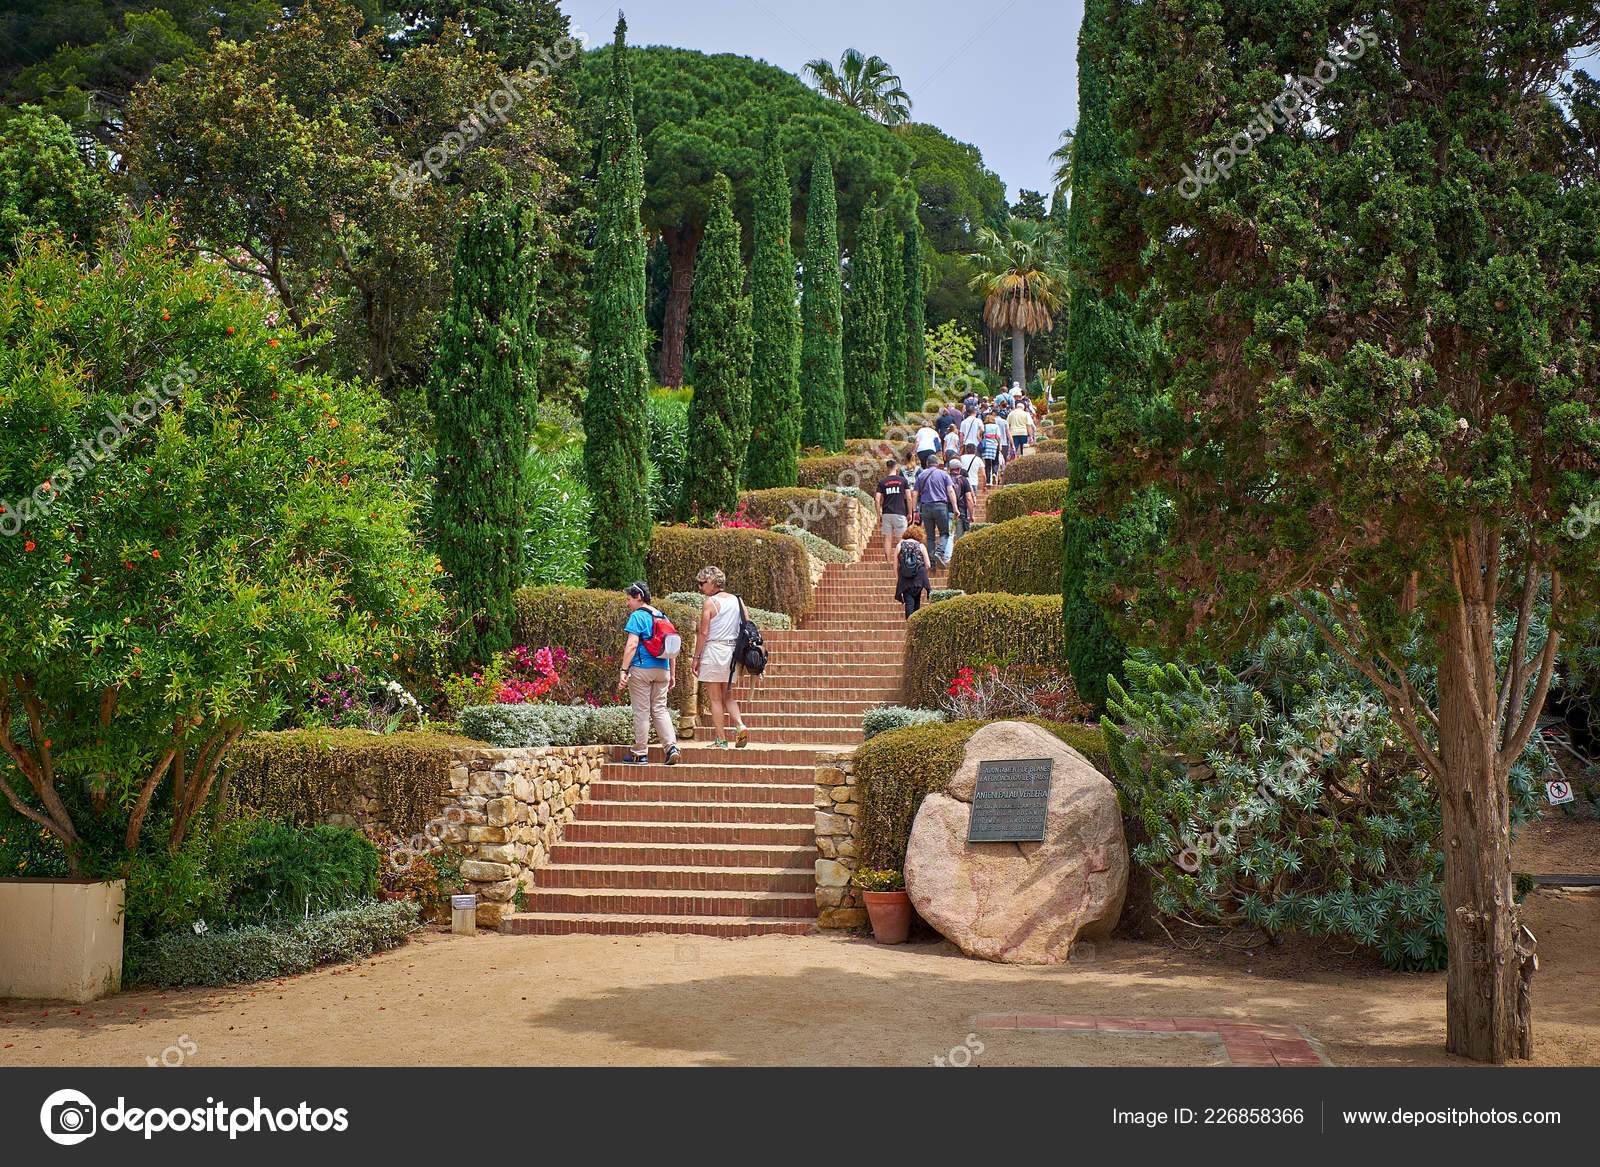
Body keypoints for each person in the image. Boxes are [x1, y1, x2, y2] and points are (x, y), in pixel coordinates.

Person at [618, 582, 681, 765]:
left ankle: (640, 753)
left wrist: (623, 670)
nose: (627, 604)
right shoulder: (663, 617)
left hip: (642, 670)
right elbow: (672, 648)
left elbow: (632, 645)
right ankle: (671, 748)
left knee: (642, 712)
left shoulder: (637, 616)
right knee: (660, 709)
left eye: (629, 599)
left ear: (639, 597)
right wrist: (672, 674)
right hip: (663, 670)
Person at [691, 566, 749, 749]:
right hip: (732, 653)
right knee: (728, 696)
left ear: (711, 583)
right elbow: (746, 624)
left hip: (714, 651)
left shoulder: (710, 603)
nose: (700, 588)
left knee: (715, 699)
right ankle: (740, 725)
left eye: (702, 583)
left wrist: (696, 657)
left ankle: (721, 740)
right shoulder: (738, 601)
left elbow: (704, 632)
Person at [912, 455, 955, 565]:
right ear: (937, 464)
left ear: (927, 464)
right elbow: (950, 491)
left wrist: (914, 511)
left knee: (930, 536)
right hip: (941, 506)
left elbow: (915, 494)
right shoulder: (943, 474)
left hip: (926, 507)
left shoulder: (921, 475)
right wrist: (955, 507)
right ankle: (939, 553)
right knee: (944, 533)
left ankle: (932, 561)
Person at [875, 457, 911, 562]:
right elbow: (909, 497)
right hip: (900, 513)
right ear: (896, 468)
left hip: (886, 513)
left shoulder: (882, 482)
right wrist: (911, 513)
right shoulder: (903, 481)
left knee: (887, 538)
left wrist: (878, 514)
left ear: (887, 468)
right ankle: (900, 561)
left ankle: (888, 561)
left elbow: (877, 499)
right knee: (900, 539)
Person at [894, 528, 933, 618]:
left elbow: (895, 565)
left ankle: (909, 624)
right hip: (919, 577)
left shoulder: (900, 545)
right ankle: (915, 624)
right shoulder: (921, 546)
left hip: (905, 576)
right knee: (917, 600)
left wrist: (898, 578)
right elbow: (928, 565)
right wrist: (922, 574)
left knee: (908, 602)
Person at [946, 451, 975, 544]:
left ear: (950, 468)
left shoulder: (945, 478)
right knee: (960, 536)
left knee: (949, 535)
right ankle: (959, 557)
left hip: (948, 511)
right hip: (961, 512)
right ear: (959, 469)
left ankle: (948, 557)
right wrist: (971, 514)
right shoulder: (963, 480)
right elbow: (969, 499)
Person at [980, 410, 1004, 486]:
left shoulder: (985, 426)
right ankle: (994, 473)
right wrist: (999, 445)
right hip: (994, 445)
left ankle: (988, 481)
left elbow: (980, 434)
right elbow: (998, 437)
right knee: (995, 461)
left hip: (986, 446)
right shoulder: (996, 426)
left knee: (987, 464)